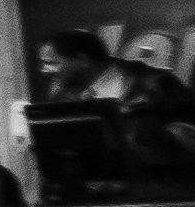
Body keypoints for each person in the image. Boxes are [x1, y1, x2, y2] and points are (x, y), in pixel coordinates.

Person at [31, 30, 195, 192]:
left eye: (52, 63)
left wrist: (137, 150)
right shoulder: (58, 98)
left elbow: (185, 144)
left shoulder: (155, 86)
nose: (45, 70)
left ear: (82, 60)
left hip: (156, 203)